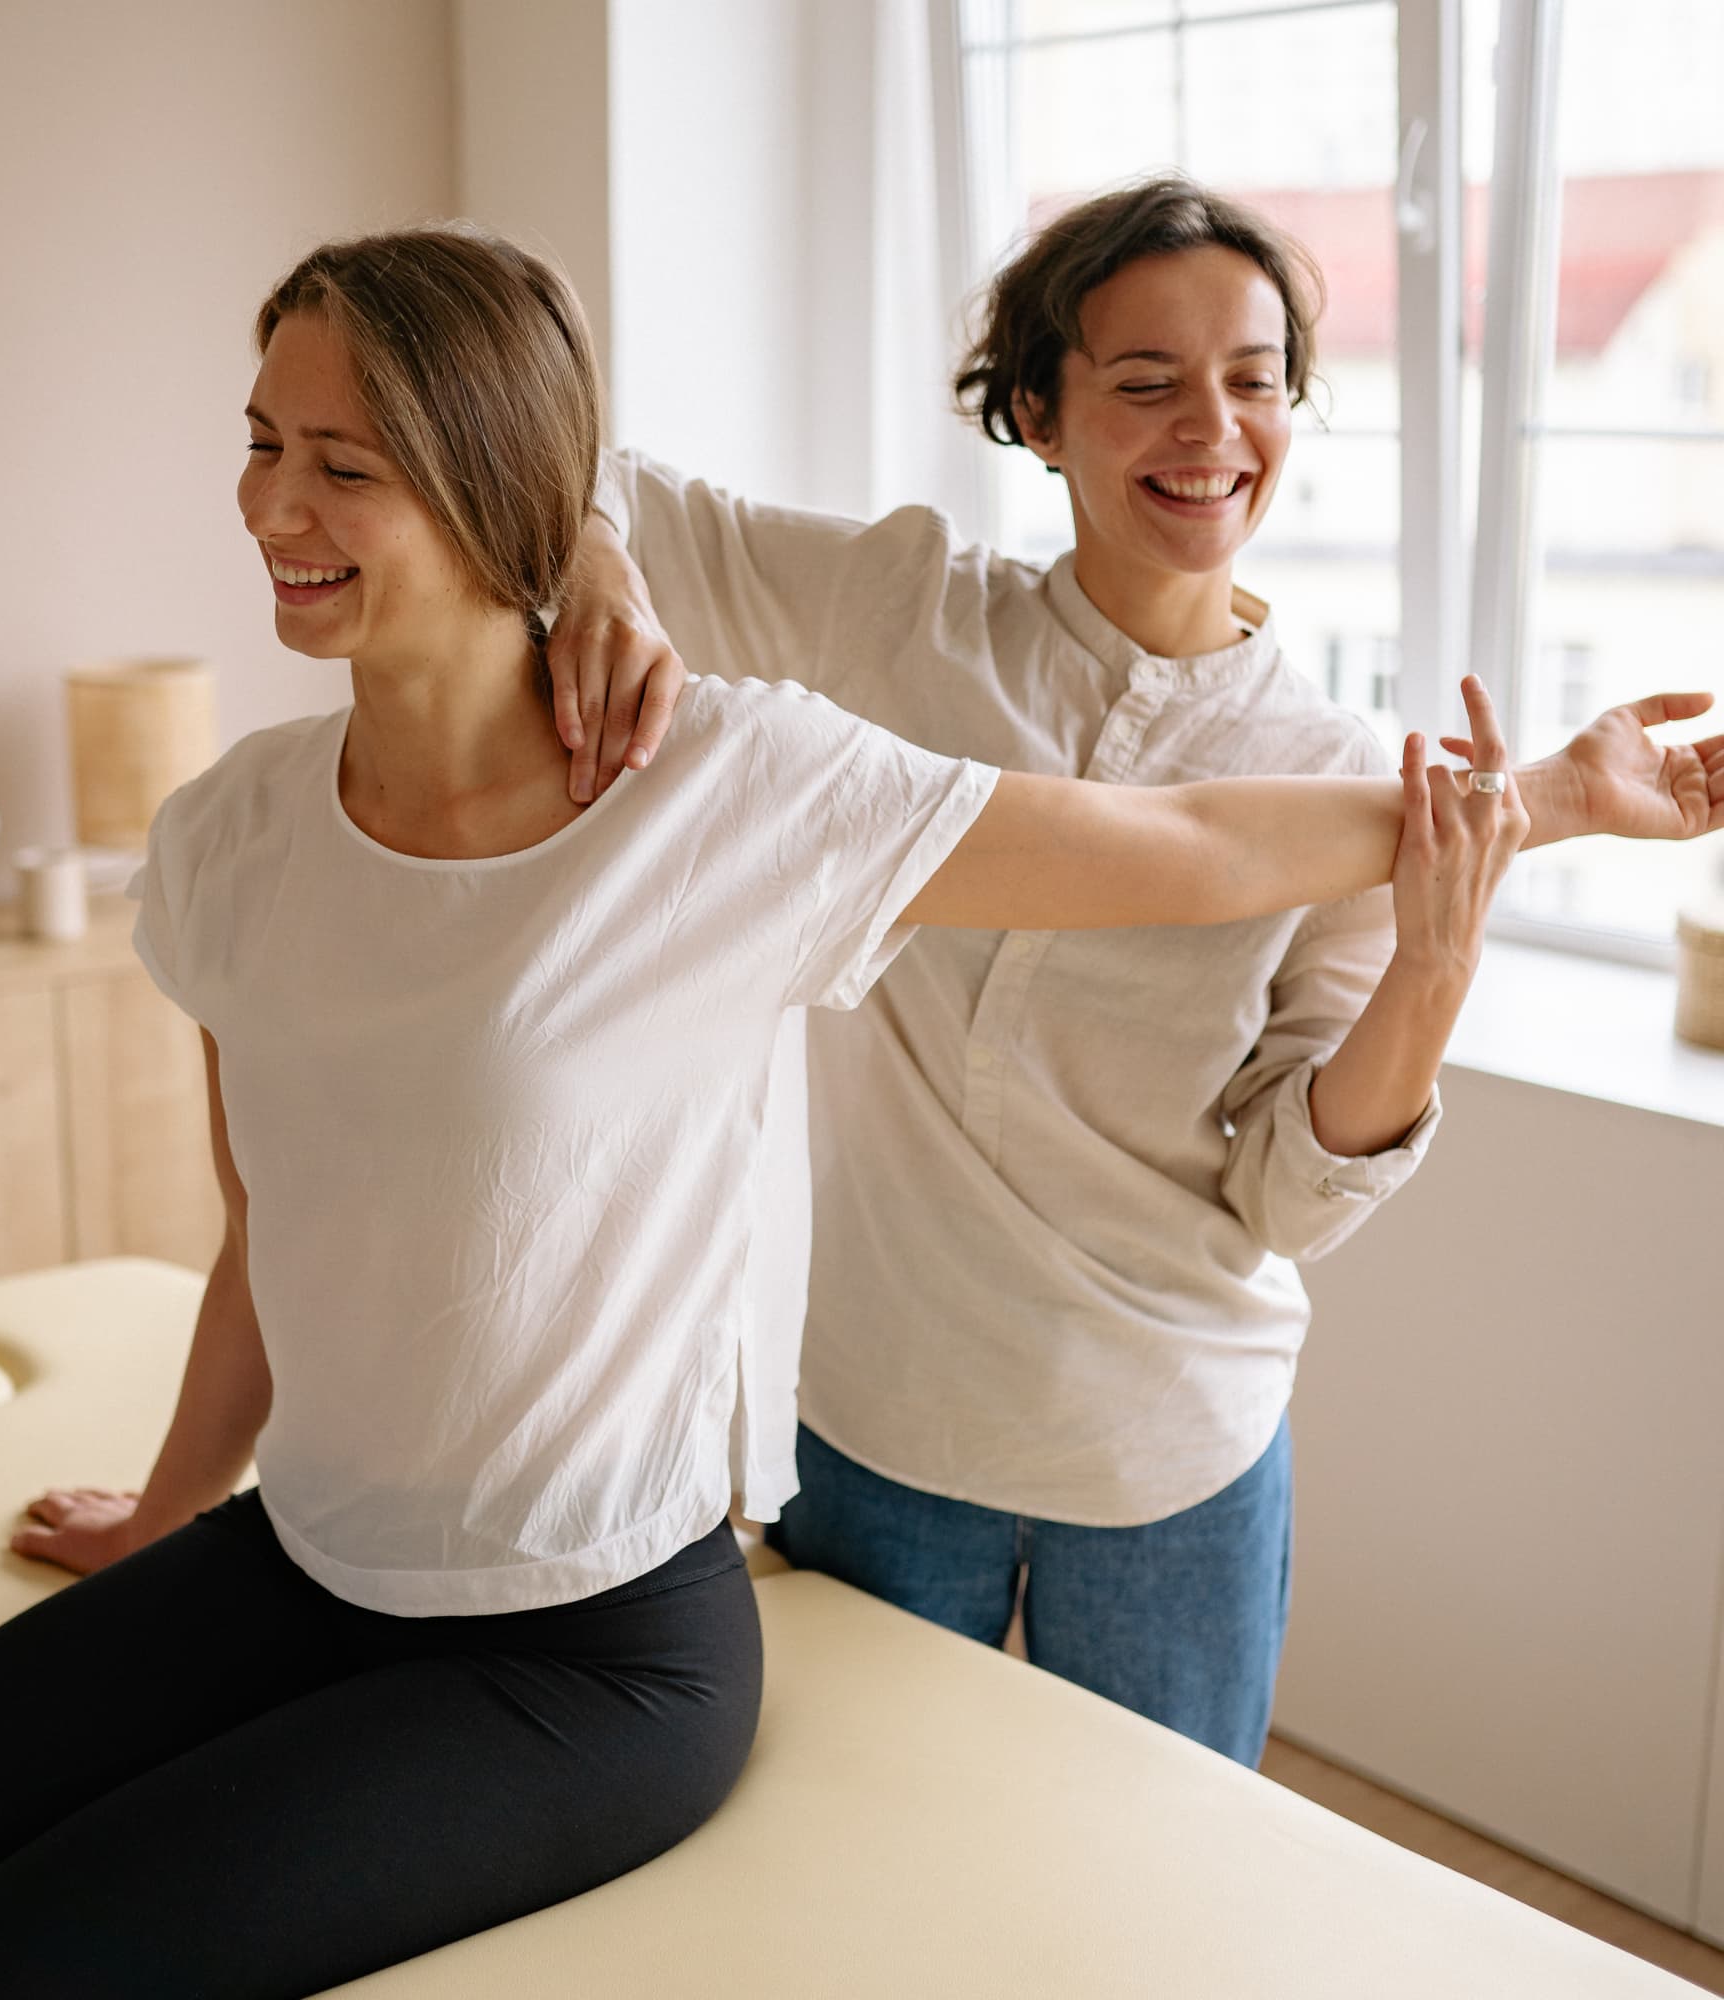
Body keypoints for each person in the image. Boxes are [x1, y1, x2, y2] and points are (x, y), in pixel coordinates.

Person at [0, 220, 1633, 1998]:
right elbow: (266, 1229)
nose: (266, 509)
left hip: (594, 1645)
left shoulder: (722, 795)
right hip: (304, 1556)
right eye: (259, 444)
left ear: (486, 489)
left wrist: (1542, 798)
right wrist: (168, 1505)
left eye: (342, 466)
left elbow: (1193, 838)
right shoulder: (229, 838)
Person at [545, 175, 1724, 1765]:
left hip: (1170, 1456)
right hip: (891, 1423)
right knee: (877, 1874)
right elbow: (586, 477)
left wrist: (1432, 974)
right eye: (1147, 381)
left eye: (1253, 379)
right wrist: (609, 580)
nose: (1210, 429)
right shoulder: (900, 616)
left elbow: (1285, 1204)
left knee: (1157, 1925)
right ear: (1039, 409)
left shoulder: (1349, 773)